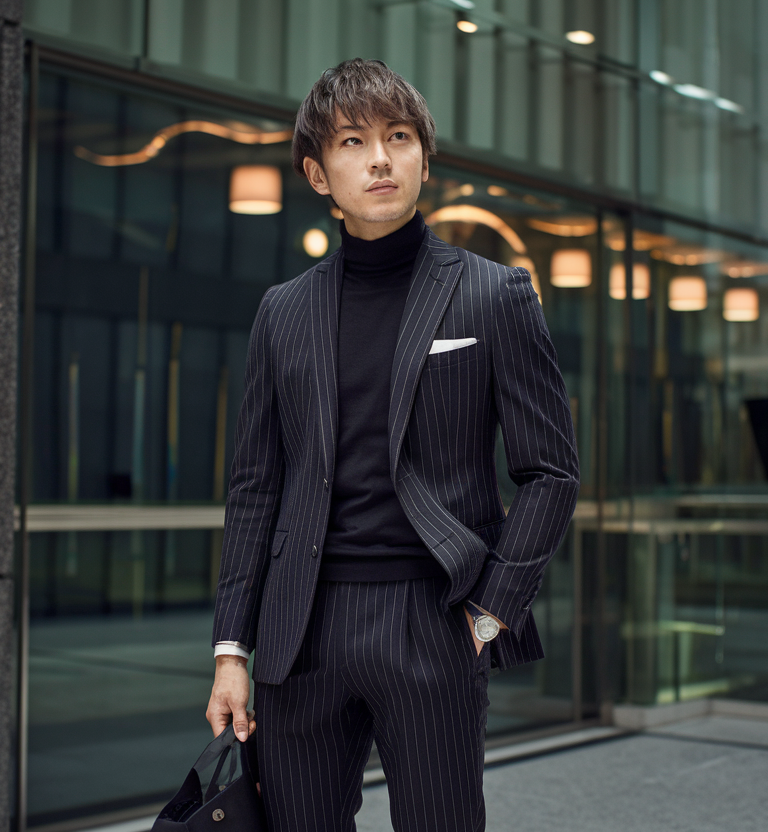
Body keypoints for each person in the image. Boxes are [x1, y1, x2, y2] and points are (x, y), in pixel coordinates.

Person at [205, 57, 579, 832]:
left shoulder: (493, 293)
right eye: (351, 141)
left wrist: (492, 613)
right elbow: (254, 489)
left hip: (432, 618)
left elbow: (550, 471)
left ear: (422, 157)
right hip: (298, 631)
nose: (379, 157)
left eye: (398, 136)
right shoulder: (282, 313)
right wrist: (230, 648)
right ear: (318, 173)